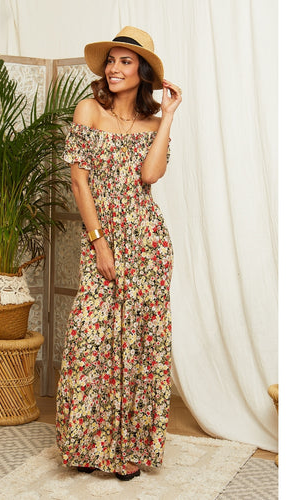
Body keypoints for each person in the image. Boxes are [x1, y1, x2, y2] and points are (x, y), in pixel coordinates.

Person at [55, 26, 182, 481]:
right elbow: (78, 181)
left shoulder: (152, 124)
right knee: (91, 338)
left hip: (147, 244)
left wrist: (167, 116)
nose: (114, 68)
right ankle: (87, 443)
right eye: (111, 60)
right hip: (103, 239)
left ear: (143, 72)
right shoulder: (88, 110)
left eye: (125, 61)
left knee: (139, 344)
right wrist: (99, 241)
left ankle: (131, 448)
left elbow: (149, 176)